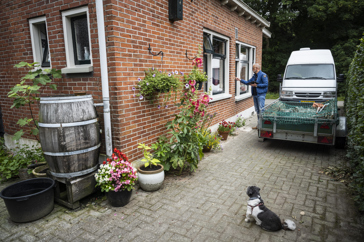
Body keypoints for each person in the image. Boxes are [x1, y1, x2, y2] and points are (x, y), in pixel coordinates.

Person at [235, 63, 268, 129]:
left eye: (253, 68)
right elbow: (248, 82)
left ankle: (263, 126)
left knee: (261, 110)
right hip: (255, 95)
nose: (252, 69)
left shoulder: (263, 75)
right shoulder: (254, 76)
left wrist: (256, 85)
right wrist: (240, 80)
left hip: (261, 95)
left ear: (257, 68)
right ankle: (259, 125)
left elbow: (266, 84)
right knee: (257, 110)